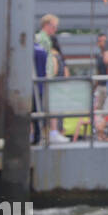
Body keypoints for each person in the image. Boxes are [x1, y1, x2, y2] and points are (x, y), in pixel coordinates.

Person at [35, 14, 67, 143]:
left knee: (42, 106)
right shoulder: (43, 39)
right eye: (54, 27)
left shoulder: (41, 38)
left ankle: (46, 133)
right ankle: (53, 132)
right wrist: (48, 75)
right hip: (44, 78)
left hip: (42, 77)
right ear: (46, 25)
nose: (55, 30)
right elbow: (45, 60)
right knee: (51, 104)